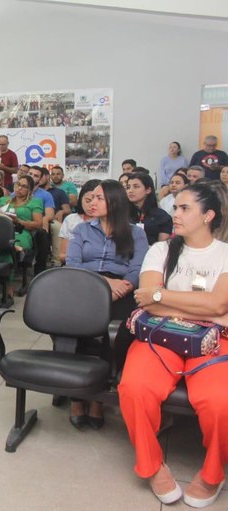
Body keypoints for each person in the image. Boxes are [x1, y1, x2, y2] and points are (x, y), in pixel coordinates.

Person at [120, 182, 228, 508]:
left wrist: (162, 297)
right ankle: (151, 465)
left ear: (208, 215)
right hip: (161, 335)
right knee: (134, 388)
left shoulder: (224, 254)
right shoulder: (161, 250)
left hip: (213, 341)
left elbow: (219, 304)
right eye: (175, 207)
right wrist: (203, 306)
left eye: (184, 208)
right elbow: (146, 300)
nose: (175, 214)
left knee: (220, 401)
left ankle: (212, 473)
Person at [66, 180, 148, 430]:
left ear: (115, 202)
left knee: (118, 332)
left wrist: (119, 287)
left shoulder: (136, 233)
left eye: (99, 198)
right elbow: (72, 263)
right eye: (91, 198)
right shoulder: (82, 230)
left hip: (121, 291)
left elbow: (137, 269)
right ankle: (77, 396)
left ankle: (99, 396)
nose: (92, 203)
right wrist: (104, 283)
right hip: (86, 285)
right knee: (73, 327)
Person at [0, 175, 44, 299]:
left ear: (30, 190)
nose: (19, 188)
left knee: (8, 250)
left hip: (22, 233)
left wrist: (18, 221)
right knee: (0, 244)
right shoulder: (4, 200)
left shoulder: (34, 202)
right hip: (2, 232)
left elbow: (38, 224)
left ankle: (8, 284)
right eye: (18, 184)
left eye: (24, 186)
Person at [58, 179, 101, 263]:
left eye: (97, 201)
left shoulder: (106, 222)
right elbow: (62, 256)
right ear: (80, 199)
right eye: (87, 201)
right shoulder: (71, 220)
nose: (91, 205)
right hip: (74, 267)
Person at [126, 172, 172, 245]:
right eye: (128, 187)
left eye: (136, 186)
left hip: (151, 254)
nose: (130, 191)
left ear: (148, 190)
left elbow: (161, 248)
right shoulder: (122, 214)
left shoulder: (161, 216)